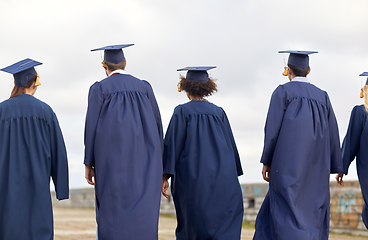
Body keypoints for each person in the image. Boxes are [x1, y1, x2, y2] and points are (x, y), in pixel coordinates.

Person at [253, 51, 343, 240]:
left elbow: (272, 129)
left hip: (287, 167)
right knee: (312, 209)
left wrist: (267, 160)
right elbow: (333, 133)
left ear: (288, 71)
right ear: (309, 70)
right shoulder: (323, 97)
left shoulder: (282, 92)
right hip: (317, 169)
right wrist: (336, 165)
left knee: (285, 209)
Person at [84, 44, 163, 240]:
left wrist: (88, 162)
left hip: (111, 162)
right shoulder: (145, 87)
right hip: (147, 162)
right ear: (125, 63)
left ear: (105, 67)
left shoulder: (99, 88)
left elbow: (91, 128)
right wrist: (161, 166)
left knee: (112, 208)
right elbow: (157, 125)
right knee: (144, 210)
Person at [162, 66, 244, 240]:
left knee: (193, 229)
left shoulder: (182, 111)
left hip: (193, 182)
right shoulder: (219, 112)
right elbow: (231, 147)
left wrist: (165, 176)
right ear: (208, 87)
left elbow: (172, 145)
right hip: (225, 181)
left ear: (186, 89)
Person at [0, 58, 69, 240]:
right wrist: (61, 188)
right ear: (35, 83)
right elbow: (58, 152)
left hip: (5, 187)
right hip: (38, 185)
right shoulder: (45, 111)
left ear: (15, 83)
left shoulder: (1, 111)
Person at [337, 72, 368, 229]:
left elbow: (351, 142)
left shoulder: (362, 113)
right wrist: (341, 167)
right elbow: (351, 142)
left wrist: (341, 167)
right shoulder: (362, 113)